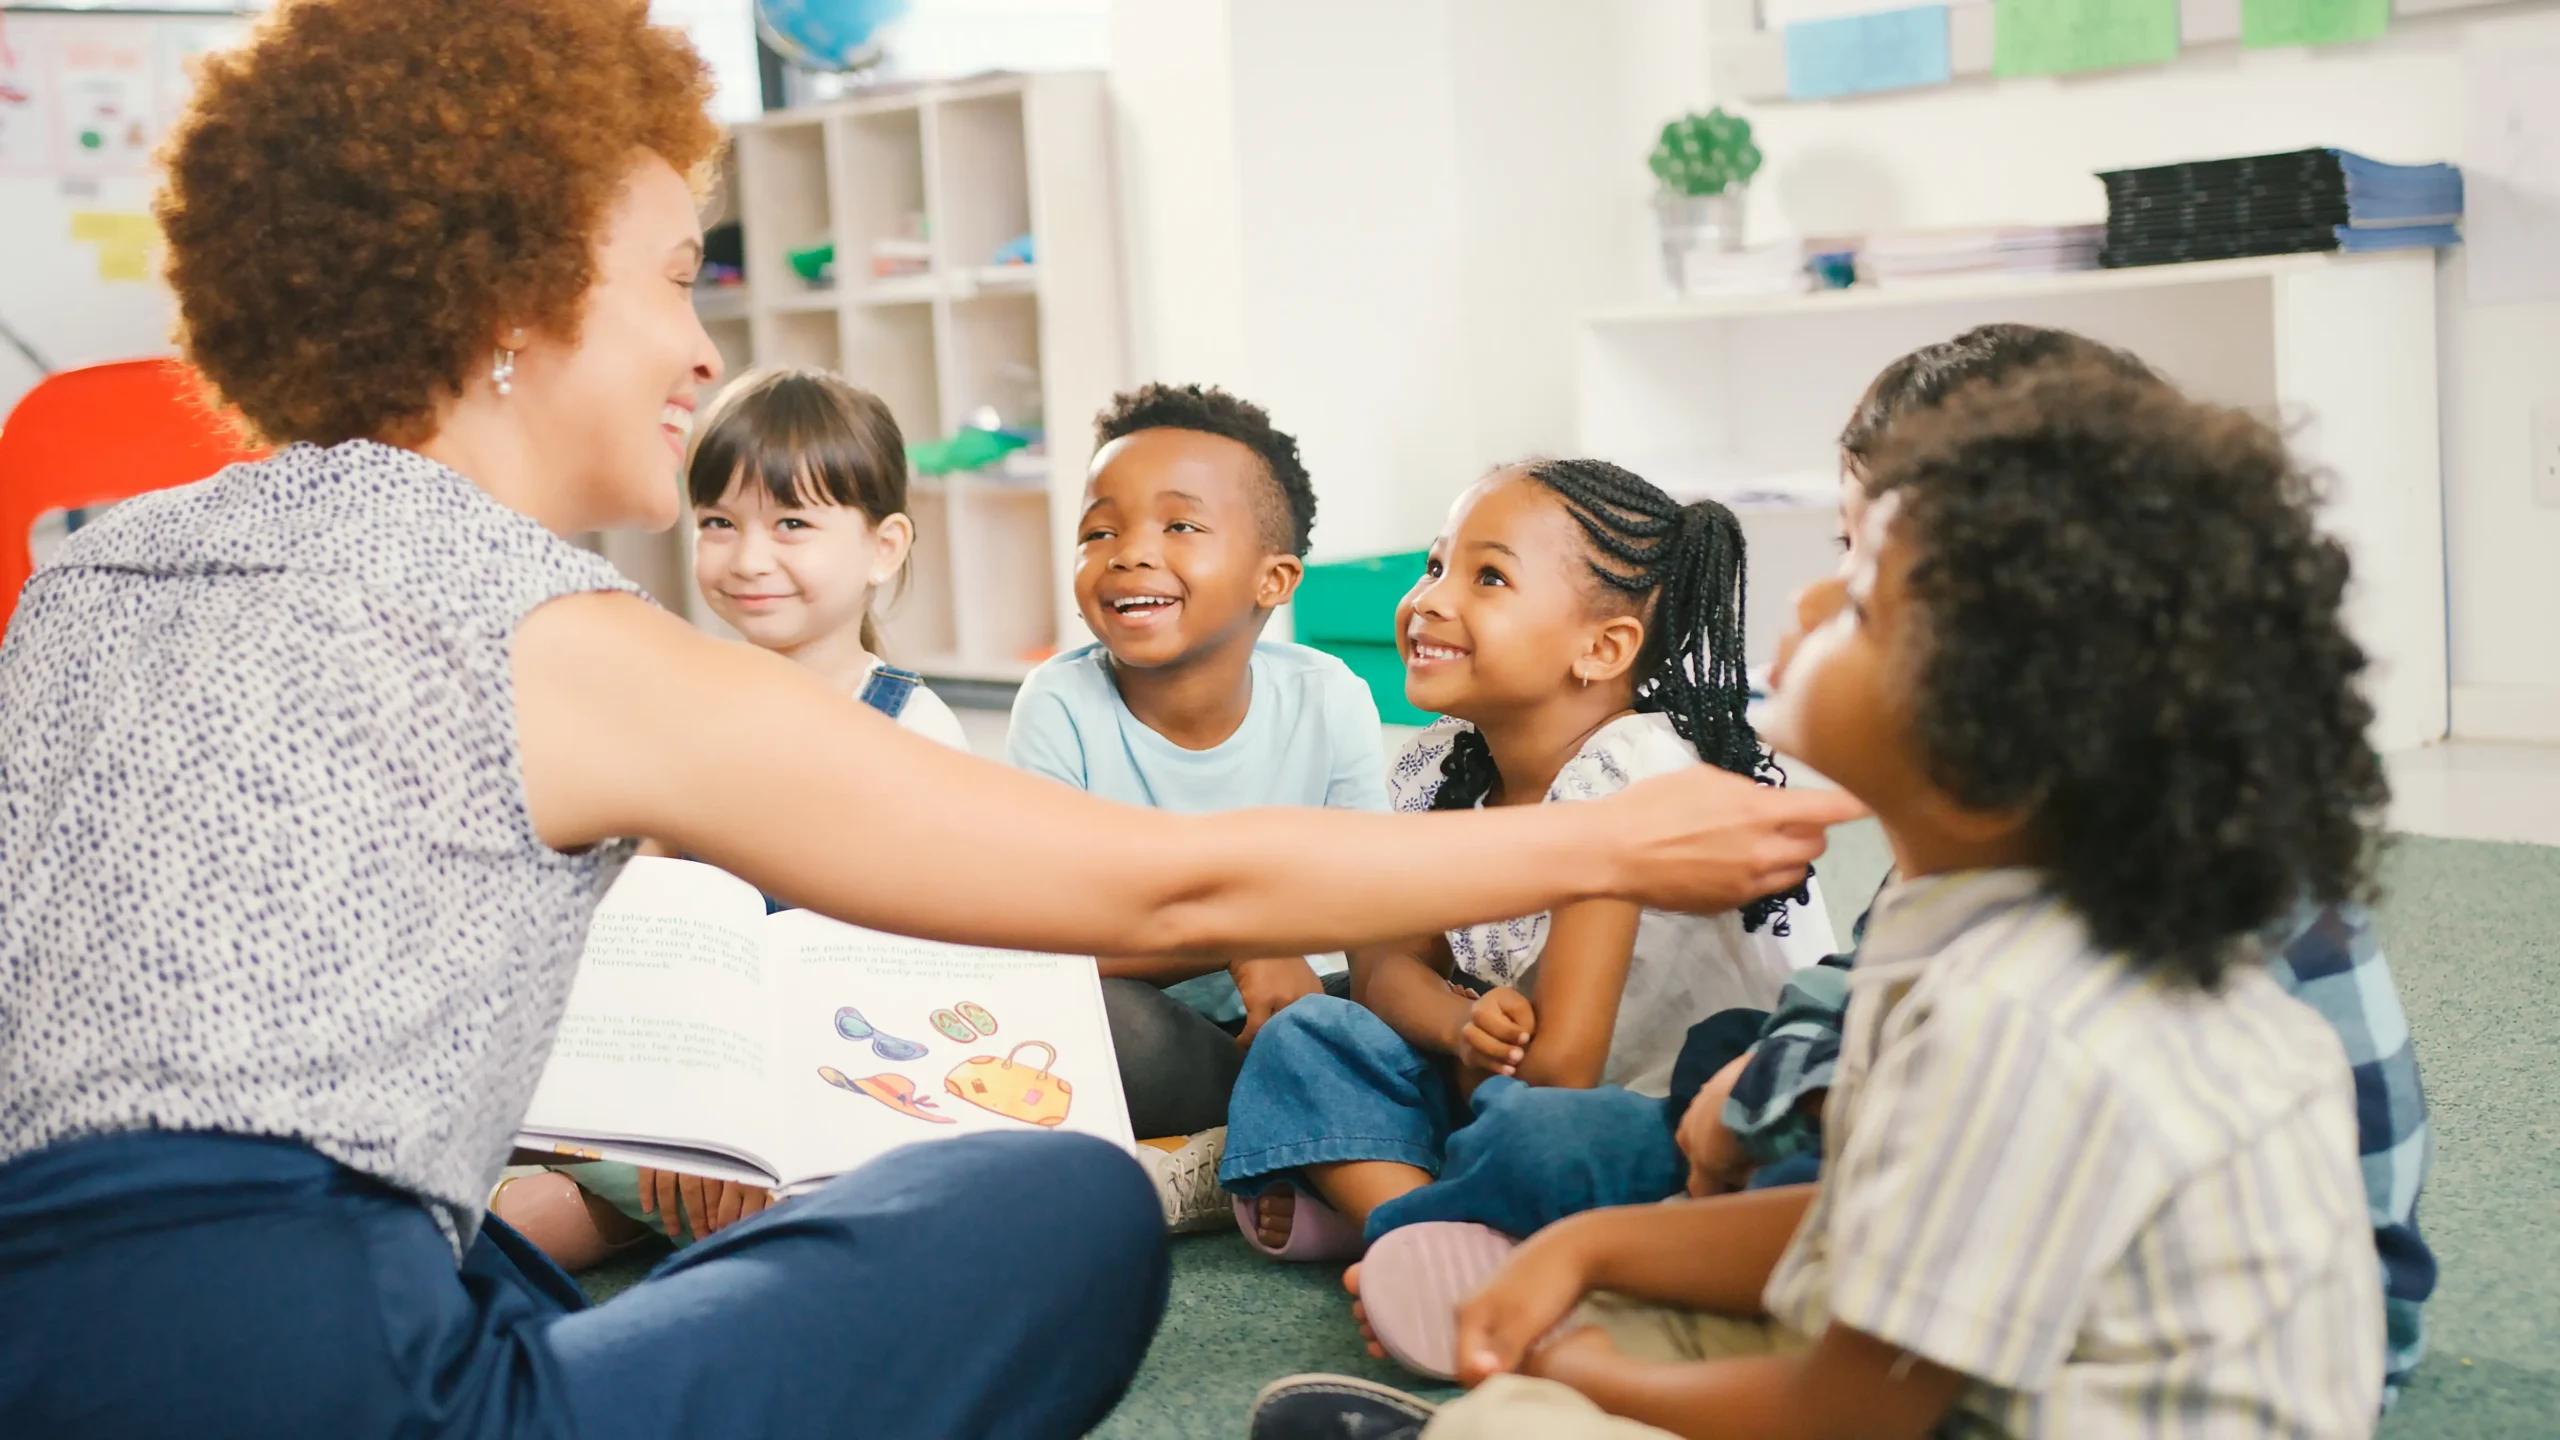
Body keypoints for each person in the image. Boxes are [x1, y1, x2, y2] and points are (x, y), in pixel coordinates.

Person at [0, 6, 1862, 1438]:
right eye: (674, 277)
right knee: (1054, 1209)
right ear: (509, 295)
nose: (706, 348)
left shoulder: (90, 568)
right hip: (314, 1374)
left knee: (515, 1250)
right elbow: (1157, 889)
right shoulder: (535, 628)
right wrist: (1601, 838)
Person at [1253, 358, 2392, 1440]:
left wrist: (1594, 1376)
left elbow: (1848, 1412)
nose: (1803, 596)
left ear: (1989, 740)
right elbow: (1865, 1227)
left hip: (1958, 1410)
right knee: (1592, 1316)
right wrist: (1591, 1249)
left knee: (1553, 1386)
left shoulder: (2019, 1019)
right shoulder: (1981, 942)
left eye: (1857, 598)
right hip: (1973, 1366)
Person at [1217, 459, 1833, 1265]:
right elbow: (1382, 966)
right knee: (1309, 1035)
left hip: (1655, 1115)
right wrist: (1459, 1023)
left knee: (1532, 1135)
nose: (1431, 599)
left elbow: (1561, 1073)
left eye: (1489, 578)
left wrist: (1472, 1052)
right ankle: (1430, 1236)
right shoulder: (1445, 764)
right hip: (1507, 1077)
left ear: (1603, 647)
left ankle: (1397, 1223)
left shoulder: (1631, 783)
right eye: (1436, 566)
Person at [492, 365, 973, 1270]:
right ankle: (649, 1191)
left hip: (837, 1070)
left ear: (883, 546)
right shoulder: (683, 706)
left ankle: (700, 1202)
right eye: (720, 523)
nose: (748, 559)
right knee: (516, 1211)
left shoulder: (915, 729)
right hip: (693, 1058)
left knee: (869, 1200)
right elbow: (641, 912)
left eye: (792, 524)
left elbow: (913, 969)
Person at [1005, 382, 1388, 1228]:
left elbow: (1373, 906)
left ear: (1273, 579)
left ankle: (1235, 1159)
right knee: (1082, 1027)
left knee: (1378, 1010)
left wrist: (1289, 966)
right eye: (1100, 530)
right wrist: (1239, 937)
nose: (1130, 553)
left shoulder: (1330, 697)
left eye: (1179, 526)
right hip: (1161, 1036)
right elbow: (1047, 938)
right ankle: (1287, 1151)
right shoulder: (1059, 703)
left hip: (1300, 1016)